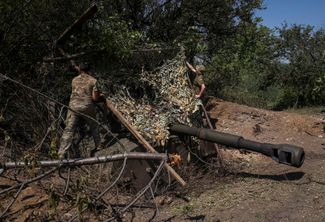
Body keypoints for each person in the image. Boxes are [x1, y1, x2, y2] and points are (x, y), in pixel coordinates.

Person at [58, 63, 105, 159]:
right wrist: (101, 95)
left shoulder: (74, 80)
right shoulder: (93, 81)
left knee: (69, 130)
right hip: (87, 106)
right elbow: (95, 98)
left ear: (80, 69)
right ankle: (99, 146)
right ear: (89, 70)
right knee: (94, 125)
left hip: (73, 107)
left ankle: (61, 153)